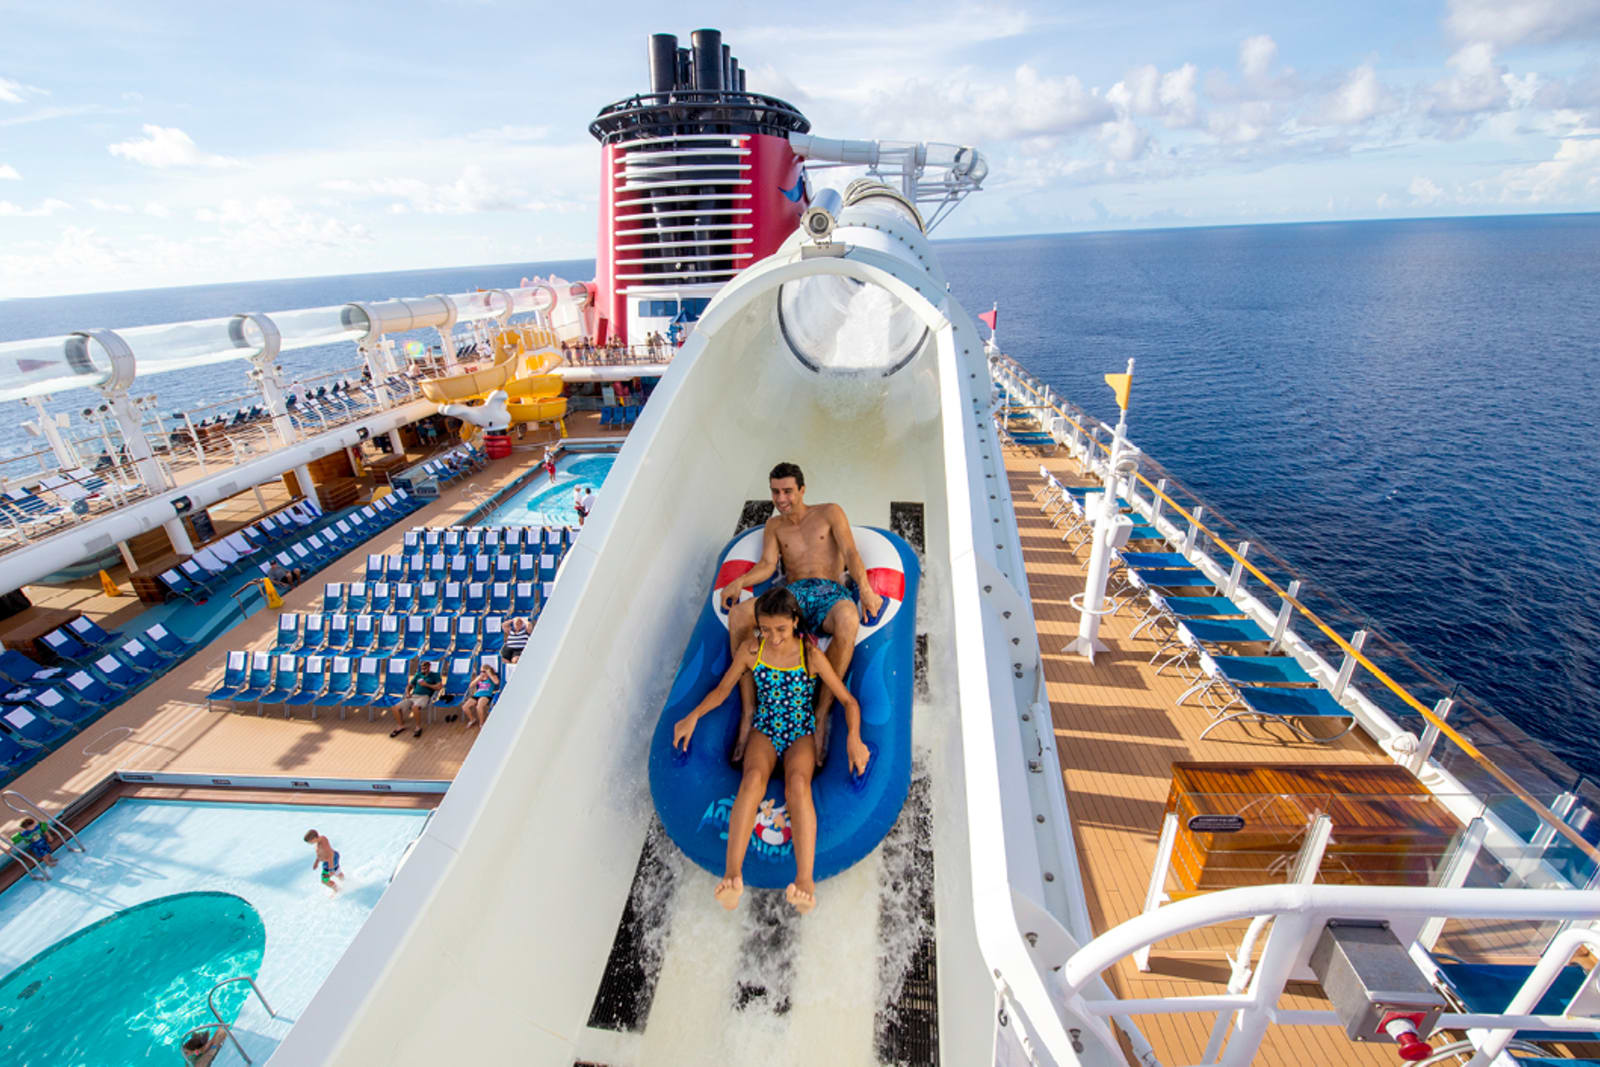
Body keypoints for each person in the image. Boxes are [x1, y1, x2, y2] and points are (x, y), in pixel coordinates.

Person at [673, 587, 866, 916]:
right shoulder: (752, 651)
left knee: (798, 784)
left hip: (801, 730)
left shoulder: (811, 655)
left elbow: (847, 700)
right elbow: (722, 691)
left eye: (780, 629)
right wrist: (692, 716)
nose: (773, 637)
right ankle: (732, 876)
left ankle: (804, 882)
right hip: (765, 727)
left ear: (794, 622)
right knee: (752, 779)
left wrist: (854, 739)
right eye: (765, 629)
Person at [719, 462, 883, 765]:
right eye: (775, 491)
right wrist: (739, 582)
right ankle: (748, 710)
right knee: (741, 616)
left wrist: (867, 590)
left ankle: (820, 713)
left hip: (829, 593)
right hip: (792, 596)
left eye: (787, 491)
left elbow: (850, 553)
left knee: (848, 619)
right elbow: (768, 566)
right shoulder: (775, 526)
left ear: (802, 490)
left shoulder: (829, 512)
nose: (781, 499)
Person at [393, 660, 443, 735]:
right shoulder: (418, 675)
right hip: (413, 696)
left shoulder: (435, 675)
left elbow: (439, 687)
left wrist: (426, 685)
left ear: (429, 667)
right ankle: (401, 725)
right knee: (395, 707)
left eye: (425, 668)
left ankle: (418, 727)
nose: (423, 670)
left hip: (424, 696)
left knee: (415, 707)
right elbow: (409, 686)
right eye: (422, 668)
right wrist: (407, 693)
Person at [304, 829, 343, 894]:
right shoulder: (320, 840)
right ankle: (345, 881)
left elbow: (330, 856)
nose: (310, 844)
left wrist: (331, 870)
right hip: (333, 858)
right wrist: (316, 862)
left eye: (310, 842)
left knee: (324, 880)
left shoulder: (323, 846)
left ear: (314, 838)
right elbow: (320, 854)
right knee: (337, 872)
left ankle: (338, 890)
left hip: (330, 862)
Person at [463, 661, 499, 728]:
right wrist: (478, 679)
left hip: (486, 695)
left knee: (479, 707)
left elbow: (496, 682)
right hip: (477, 695)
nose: (482, 673)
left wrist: (489, 674)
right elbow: (471, 686)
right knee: (465, 707)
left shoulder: (492, 677)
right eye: (481, 671)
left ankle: (481, 723)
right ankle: (472, 719)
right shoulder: (479, 677)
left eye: (483, 671)